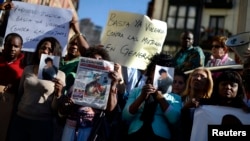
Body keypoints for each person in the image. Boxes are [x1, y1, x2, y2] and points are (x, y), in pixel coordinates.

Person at [59, 46, 123, 141]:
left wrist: (113, 85)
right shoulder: (74, 81)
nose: (97, 61)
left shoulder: (107, 85)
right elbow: (61, 111)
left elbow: (110, 109)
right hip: (70, 128)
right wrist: (67, 104)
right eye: (93, 59)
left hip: (91, 130)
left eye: (100, 60)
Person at [8, 37, 65, 141]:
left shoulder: (60, 75)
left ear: (55, 53)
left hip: (42, 124)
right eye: (43, 48)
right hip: (20, 120)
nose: (45, 51)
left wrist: (58, 94)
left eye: (50, 50)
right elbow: (20, 94)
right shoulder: (27, 69)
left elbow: (54, 109)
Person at [122, 53, 182, 141]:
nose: (160, 74)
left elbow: (174, 119)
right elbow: (125, 116)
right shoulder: (137, 91)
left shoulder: (175, 97)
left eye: (164, 71)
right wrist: (141, 97)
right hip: (135, 134)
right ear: (150, 72)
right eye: (156, 70)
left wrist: (160, 98)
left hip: (160, 137)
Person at [0, 32, 24, 141]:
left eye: (16, 46)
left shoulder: (24, 68)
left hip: (9, 112)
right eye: (9, 45)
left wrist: (16, 86)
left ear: (21, 48)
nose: (12, 48)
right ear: (4, 45)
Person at [180, 67, 214, 141]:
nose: (197, 78)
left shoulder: (211, 104)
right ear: (190, 80)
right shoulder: (179, 99)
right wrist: (186, 107)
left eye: (202, 77)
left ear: (207, 83)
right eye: (195, 75)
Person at [59, 15, 89, 93]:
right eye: (72, 43)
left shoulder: (81, 63)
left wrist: (77, 31)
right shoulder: (57, 59)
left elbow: (88, 52)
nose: (74, 47)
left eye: (77, 45)